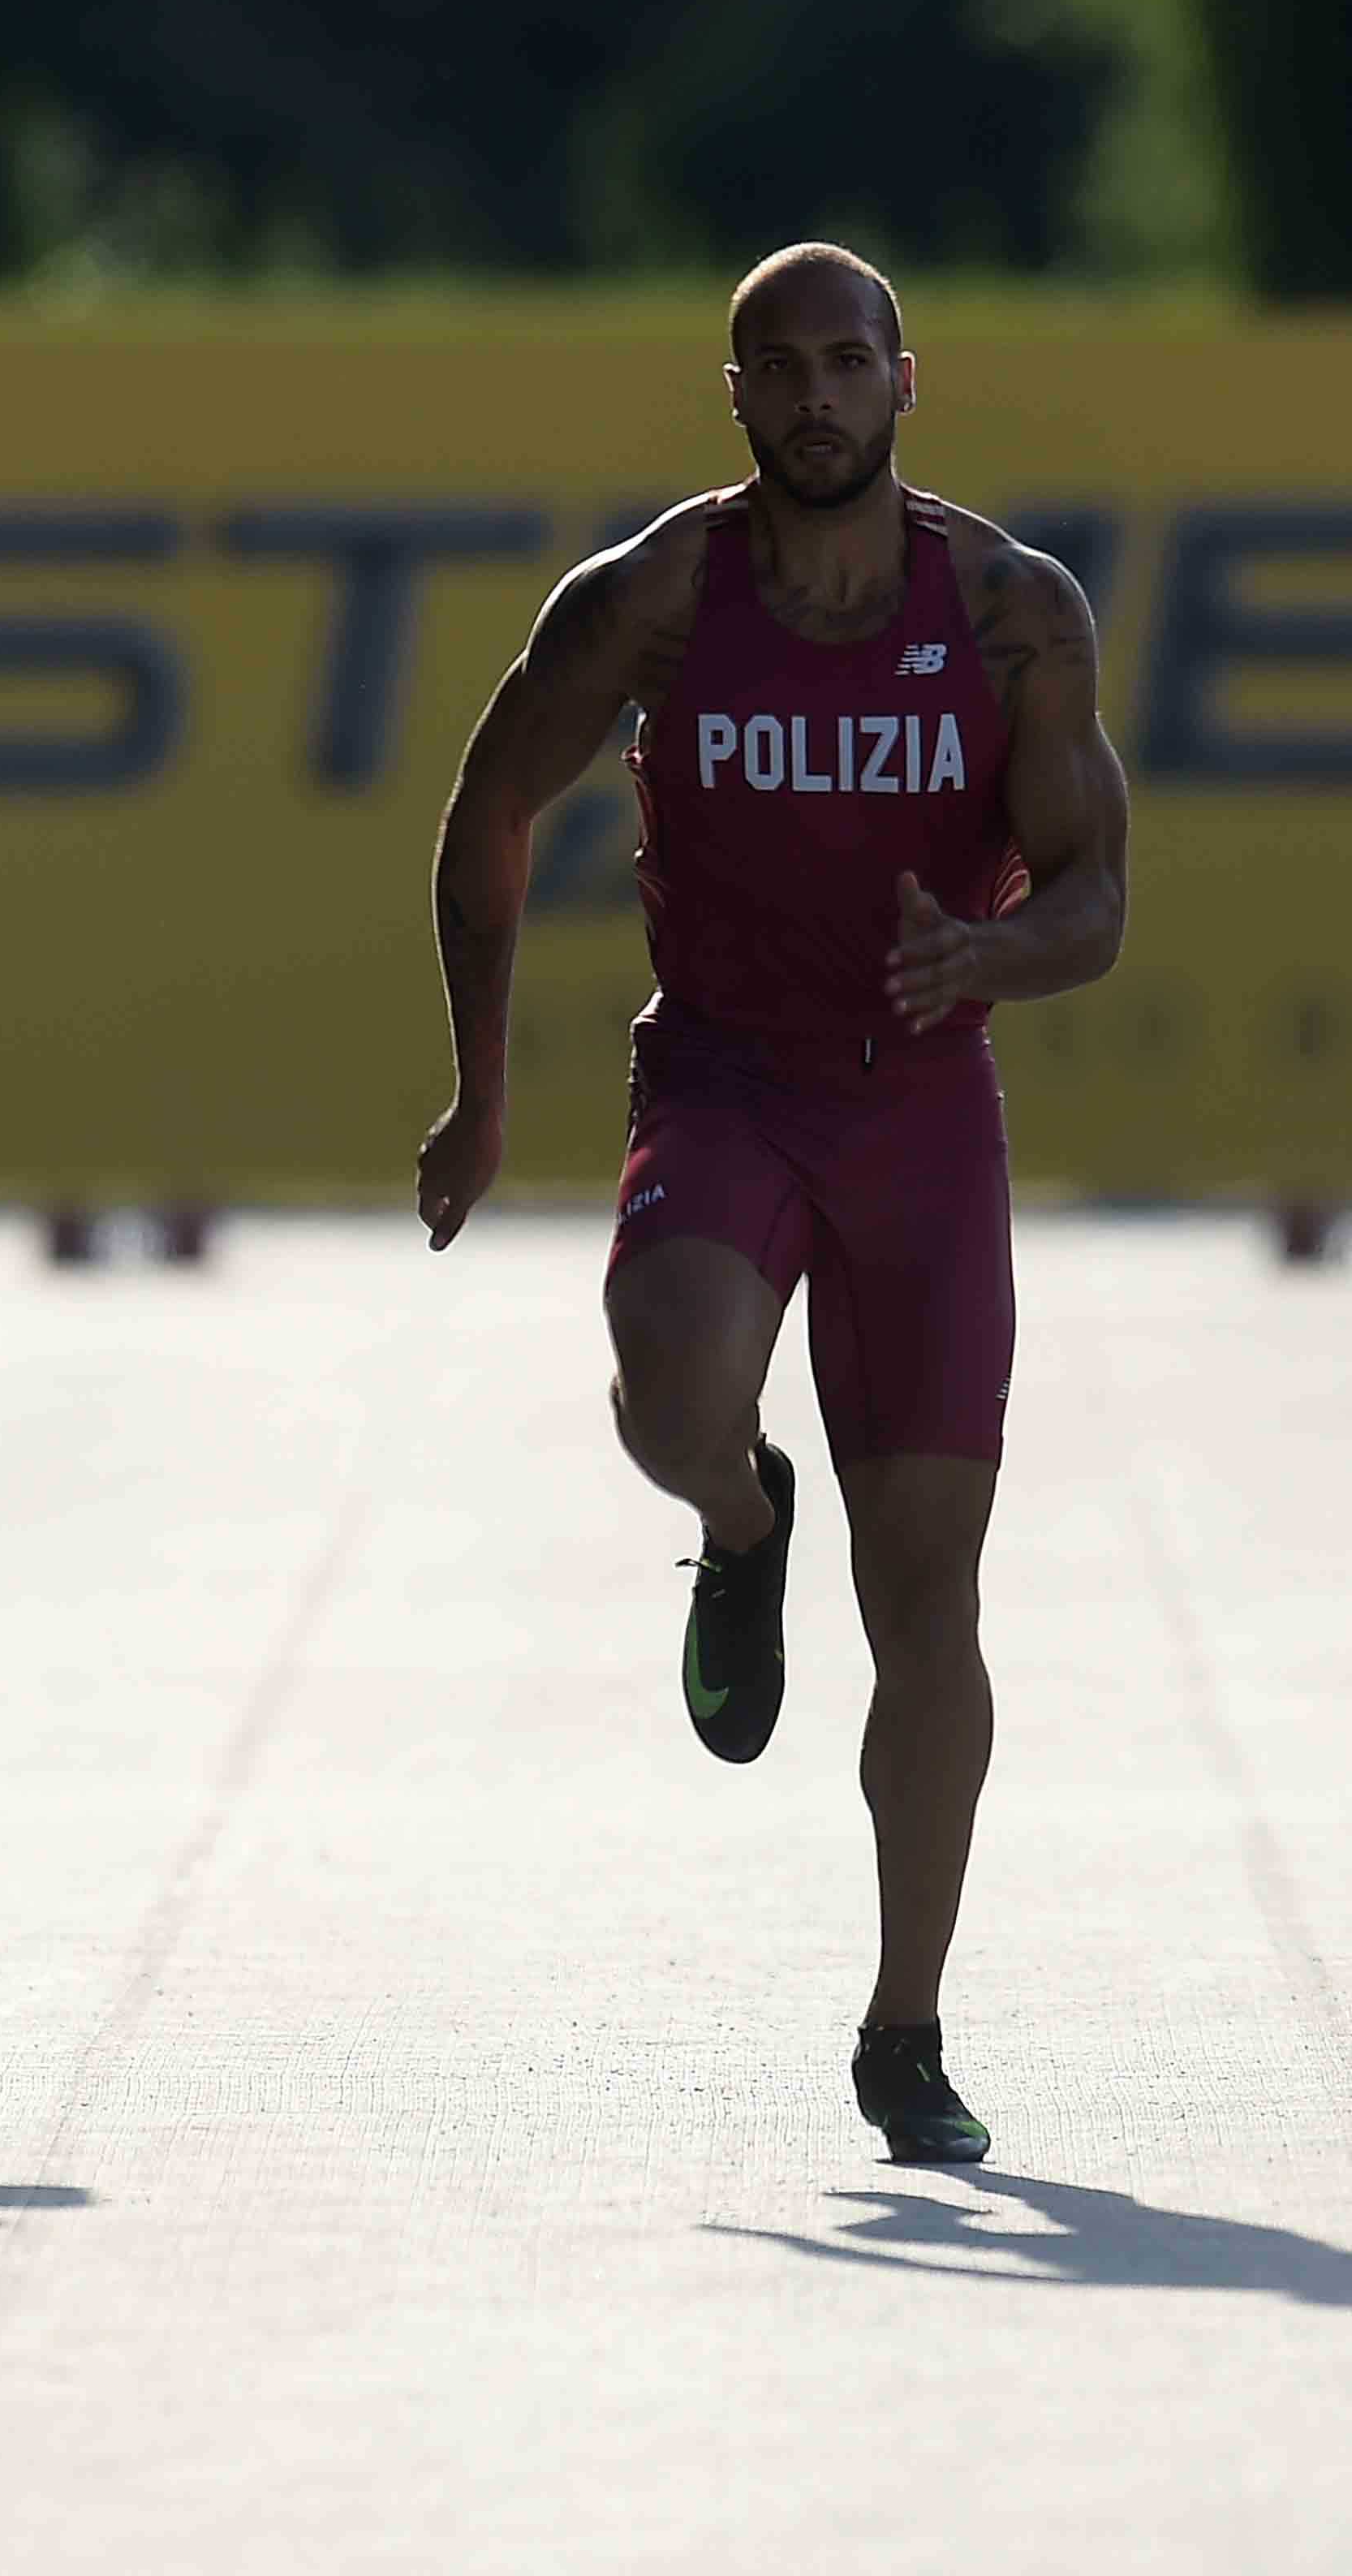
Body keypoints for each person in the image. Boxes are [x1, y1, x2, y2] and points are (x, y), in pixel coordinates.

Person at [416, 243, 1132, 2160]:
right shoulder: (656, 598)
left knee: (928, 1598)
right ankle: (741, 1519)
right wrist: (482, 1095)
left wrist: (988, 957)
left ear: (906, 378)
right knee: (667, 1388)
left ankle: (906, 2025)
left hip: (920, 1114)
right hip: (728, 1077)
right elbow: (488, 812)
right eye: (777, 368)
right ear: (731, 393)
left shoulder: (1009, 611)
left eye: (845, 362)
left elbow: (1092, 899)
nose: (815, 396)